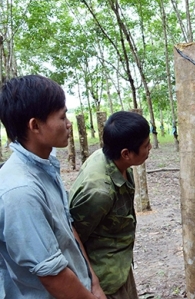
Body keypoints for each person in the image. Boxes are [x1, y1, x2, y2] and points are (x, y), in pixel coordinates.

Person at [0, 75, 104, 298]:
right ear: (35, 125)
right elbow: (52, 276)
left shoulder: (44, 169)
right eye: (62, 116)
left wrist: (93, 282)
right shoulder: (21, 190)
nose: (68, 124)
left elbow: (67, 228)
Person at [69, 111, 151, 298]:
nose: (150, 148)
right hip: (104, 280)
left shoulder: (115, 162)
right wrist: (93, 284)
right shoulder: (99, 192)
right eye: (146, 145)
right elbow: (73, 239)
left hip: (118, 267)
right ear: (126, 154)